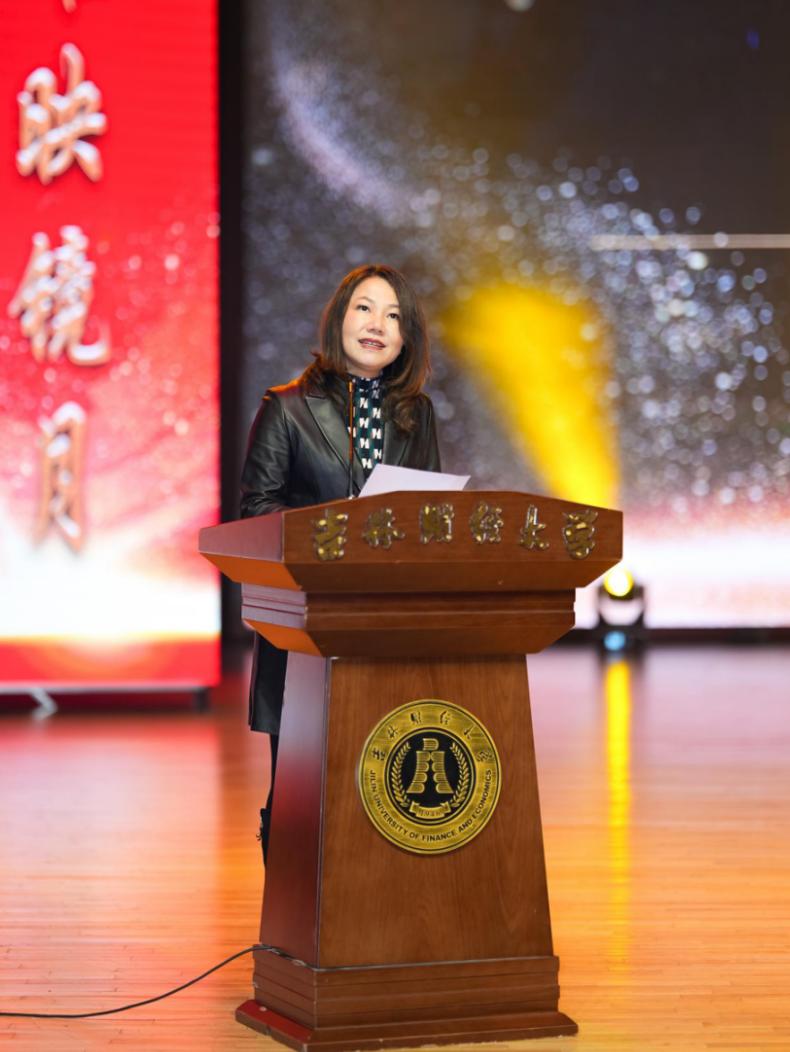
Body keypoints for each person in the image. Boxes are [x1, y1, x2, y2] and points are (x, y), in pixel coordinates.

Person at [239, 263, 441, 860]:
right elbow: (256, 511)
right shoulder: (286, 408)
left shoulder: (417, 413)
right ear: (339, 319)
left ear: (406, 339)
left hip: (386, 627)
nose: (378, 325)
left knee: (382, 789)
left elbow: (430, 514)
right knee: (302, 795)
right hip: (305, 626)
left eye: (394, 316)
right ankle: (291, 906)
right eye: (365, 309)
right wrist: (337, 529)